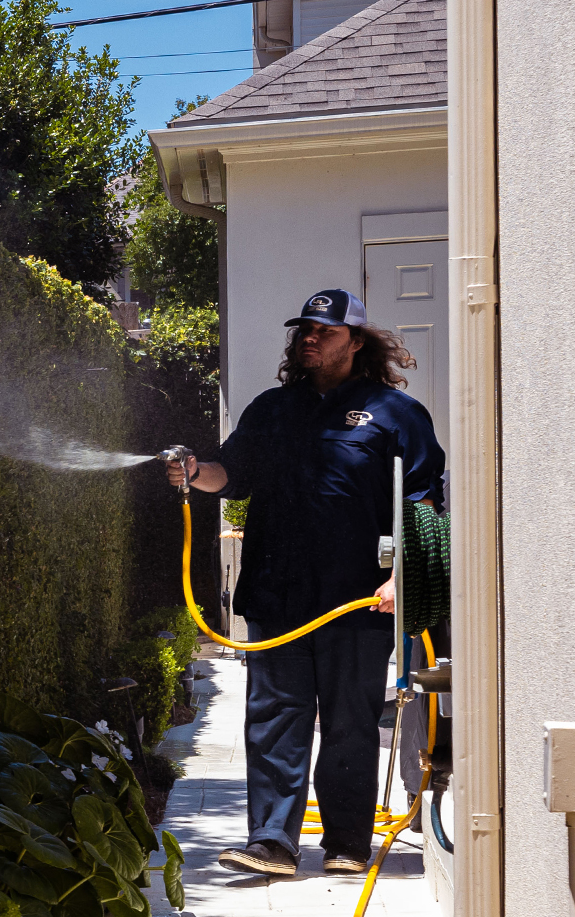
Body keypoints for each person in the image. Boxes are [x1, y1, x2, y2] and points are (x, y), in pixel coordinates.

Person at [166, 289, 445, 876]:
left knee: (349, 719)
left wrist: (401, 577)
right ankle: (272, 841)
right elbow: (232, 475)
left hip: (359, 599)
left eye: (325, 330)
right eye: (305, 330)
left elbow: (423, 501)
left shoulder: (395, 414)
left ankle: (347, 842)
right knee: (274, 716)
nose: (310, 338)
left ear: (357, 342)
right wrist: (196, 472)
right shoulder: (272, 409)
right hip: (277, 589)